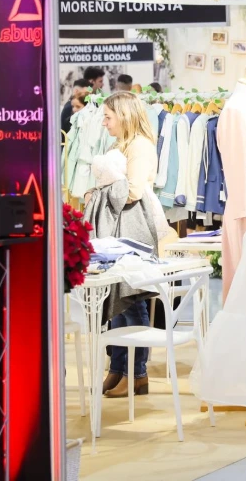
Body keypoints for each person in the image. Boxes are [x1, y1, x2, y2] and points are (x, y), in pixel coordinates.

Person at [91, 91, 160, 399]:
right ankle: (118, 369)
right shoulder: (119, 145)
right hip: (117, 228)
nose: (104, 123)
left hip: (133, 228)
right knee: (115, 303)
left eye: (108, 117)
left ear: (123, 115)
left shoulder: (140, 146)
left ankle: (137, 373)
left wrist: (101, 192)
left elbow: (133, 191)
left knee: (132, 300)